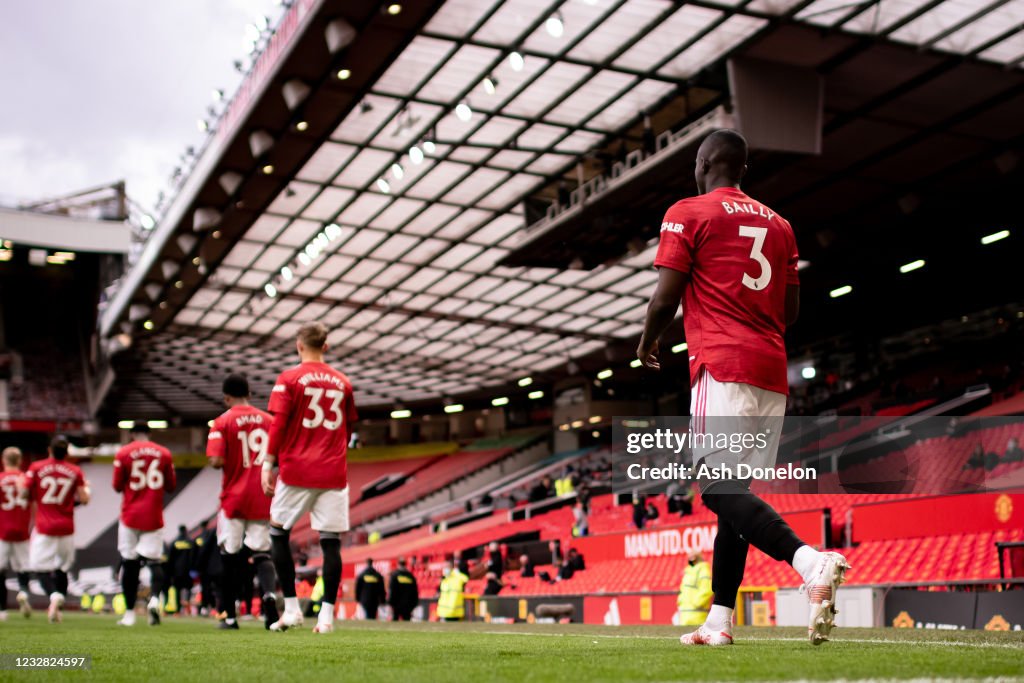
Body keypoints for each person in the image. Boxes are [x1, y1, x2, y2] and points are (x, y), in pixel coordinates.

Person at [637, 129, 849, 646]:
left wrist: (647, 342)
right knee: (733, 498)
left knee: (715, 489)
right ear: (744, 169)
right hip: (770, 371)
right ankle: (719, 621)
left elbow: (665, 299)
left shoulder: (689, 211)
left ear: (704, 161)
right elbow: (791, 311)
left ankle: (809, 561)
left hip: (721, 363)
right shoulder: (781, 225)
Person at [261, 322, 358, 634]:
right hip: (333, 472)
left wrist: (268, 463)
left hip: (298, 470)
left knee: (277, 533)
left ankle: (291, 610)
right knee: (331, 545)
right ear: (325, 347)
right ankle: (326, 619)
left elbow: (278, 425)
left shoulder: (289, 379)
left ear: (299, 345)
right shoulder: (344, 382)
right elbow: (349, 428)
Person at [207, 373, 280, 630]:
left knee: (230, 555)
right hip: (262, 493)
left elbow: (215, 460)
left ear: (226, 397)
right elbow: (280, 455)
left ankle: (229, 615)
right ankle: (270, 599)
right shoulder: (269, 420)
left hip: (234, 497)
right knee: (262, 552)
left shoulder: (222, 422)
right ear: (249, 394)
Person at [112, 422, 176, 627]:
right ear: (149, 433)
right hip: (153, 515)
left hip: (130, 515)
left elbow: (116, 485)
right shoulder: (164, 453)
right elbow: (171, 485)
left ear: (131, 434)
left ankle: (129, 614)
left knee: (129, 563)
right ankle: (155, 600)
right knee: (154, 561)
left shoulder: (123, 452)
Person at [24, 436, 90, 623]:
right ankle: (59, 601)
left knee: (40, 568)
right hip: (66, 527)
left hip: (44, 526)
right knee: (62, 567)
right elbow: (83, 499)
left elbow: (24, 492)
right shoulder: (74, 470)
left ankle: (54, 596)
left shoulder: (36, 467)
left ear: (49, 449)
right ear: (67, 452)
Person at [0, 447, 32, 620]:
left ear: (4, 460)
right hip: (22, 530)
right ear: (20, 461)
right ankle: (24, 592)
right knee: (23, 568)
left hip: (1, 531)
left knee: (1, 572)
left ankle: (2, 610)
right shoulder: (26, 479)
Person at [677, 551, 713, 626]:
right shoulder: (688, 571)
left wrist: (697, 603)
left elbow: (707, 589)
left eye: (692, 556)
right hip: (685, 614)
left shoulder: (703, 570)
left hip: (697, 616)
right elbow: (684, 590)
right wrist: (680, 602)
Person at [167, 525, 194, 615]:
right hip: (188, 570)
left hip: (177, 571)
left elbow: (170, 558)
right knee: (188, 588)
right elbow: (194, 555)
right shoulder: (190, 542)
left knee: (177, 591)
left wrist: (170, 572)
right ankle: (187, 601)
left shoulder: (175, 542)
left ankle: (177, 611)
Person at [388, 557, 418, 621]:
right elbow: (415, 591)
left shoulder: (394, 575)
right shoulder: (410, 576)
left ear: (398, 564)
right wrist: (414, 604)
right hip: (408, 604)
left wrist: (390, 602)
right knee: (407, 623)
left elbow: (391, 590)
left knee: (395, 622)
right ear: (405, 564)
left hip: (396, 604)